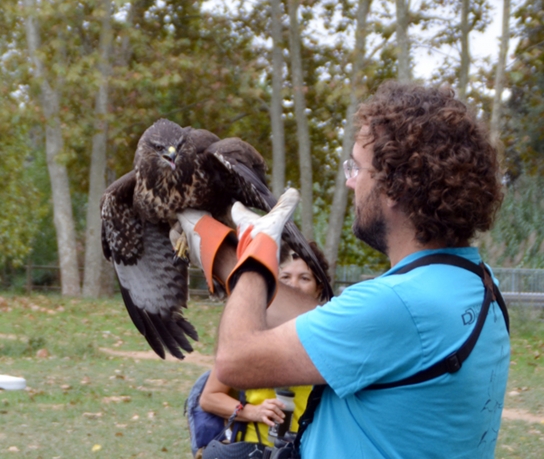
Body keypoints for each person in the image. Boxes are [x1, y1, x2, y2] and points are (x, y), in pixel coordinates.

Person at [179, 81, 510, 459]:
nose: (350, 180)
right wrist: (220, 250)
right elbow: (327, 325)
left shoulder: (398, 305)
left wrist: (257, 254)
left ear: (395, 187)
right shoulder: (477, 283)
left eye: (356, 167)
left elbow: (235, 360)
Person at [196, 250, 331, 459]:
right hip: (253, 451)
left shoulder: (329, 340)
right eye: (285, 277)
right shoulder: (253, 335)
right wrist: (253, 411)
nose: (293, 284)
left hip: (311, 451)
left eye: (304, 278)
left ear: (319, 287)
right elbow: (209, 398)